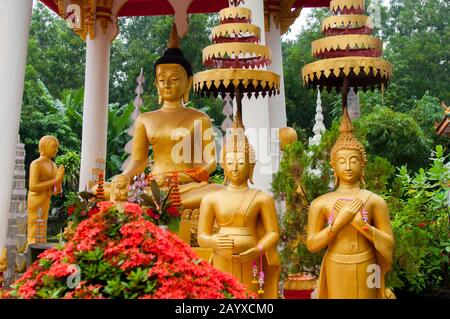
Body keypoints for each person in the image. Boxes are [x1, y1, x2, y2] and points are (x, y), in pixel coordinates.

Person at [112, 24, 223, 208]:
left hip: (187, 187)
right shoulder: (145, 119)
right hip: (153, 185)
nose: (167, 84)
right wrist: (125, 176)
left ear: (188, 83)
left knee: (217, 192)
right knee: (105, 188)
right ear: (156, 84)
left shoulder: (199, 118)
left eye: (174, 79)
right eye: (162, 80)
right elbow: (139, 161)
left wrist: (184, 176)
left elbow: (210, 161)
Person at [306, 109, 395, 298]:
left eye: (353, 161)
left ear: (362, 164)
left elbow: (388, 243)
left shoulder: (374, 201)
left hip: (367, 263)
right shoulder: (321, 203)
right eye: (342, 161)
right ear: (333, 165)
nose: (347, 166)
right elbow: (312, 244)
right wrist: (337, 224)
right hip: (335, 264)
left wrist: (362, 226)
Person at [197, 124, 280, 298]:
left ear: (250, 166)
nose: (235, 167)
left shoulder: (261, 198)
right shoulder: (211, 198)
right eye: (230, 162)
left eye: (241, 162)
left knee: (251, 296)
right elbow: (201, 237)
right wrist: (213, 242)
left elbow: (273, 233)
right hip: (222, 258)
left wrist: (257, 249)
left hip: (251, 258)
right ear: (223, 166)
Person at [27, 136, 64, 244]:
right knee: (34, 228)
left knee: (43, 226)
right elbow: (32, 186)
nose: (56, 150)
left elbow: (55, 189)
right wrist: (55, 180)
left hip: (46, 199)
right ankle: (31, 247)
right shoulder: (36, 164)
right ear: (43, 147)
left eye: (57, 147)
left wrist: (59, 184)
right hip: (36, 200)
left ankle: (40, 247)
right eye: (54, 147)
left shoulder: (53, 165)